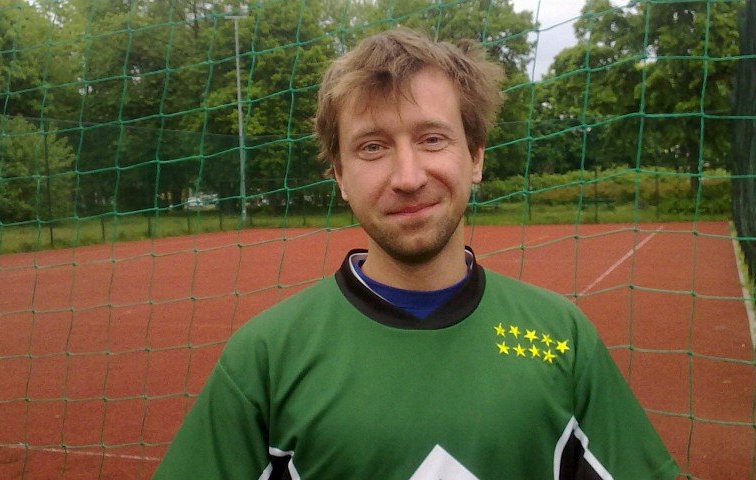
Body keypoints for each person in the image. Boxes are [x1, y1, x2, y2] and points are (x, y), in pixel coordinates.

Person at [153, 28, 679, 479]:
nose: (408, 177)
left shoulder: (562, 336)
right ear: (339, 175)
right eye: (372, 147)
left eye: (431, 139)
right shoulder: (265, 357)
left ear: (475, 157)